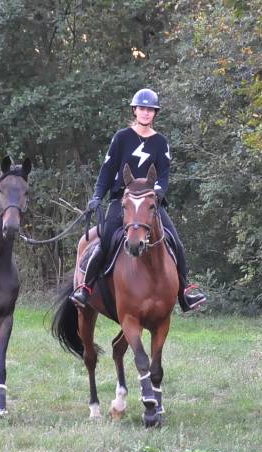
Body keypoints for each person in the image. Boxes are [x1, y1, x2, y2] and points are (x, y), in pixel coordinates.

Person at [70, 88, 207, 312]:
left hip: (150, 203)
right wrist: (97, 196)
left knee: (176, 242)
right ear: (134, 110)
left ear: (155, 114)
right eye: (142, 109)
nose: (145, 113)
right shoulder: (121, 138)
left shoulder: (161, 142)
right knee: (104, 242)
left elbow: (163, 175)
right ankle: (86, 288)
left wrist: (157, 194)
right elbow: (107, 171)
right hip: (123, 201)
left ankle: (184, 293)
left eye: (150, 110)